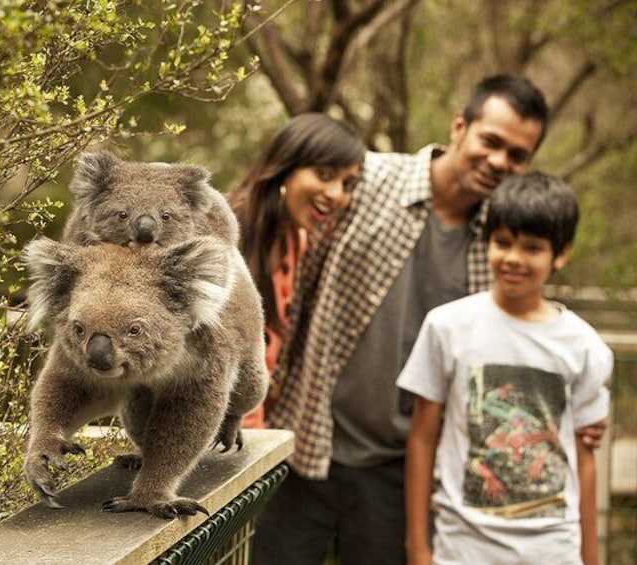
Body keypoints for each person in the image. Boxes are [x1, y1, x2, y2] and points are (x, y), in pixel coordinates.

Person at [253, 74, 586, 564]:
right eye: (491, 142)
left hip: (398, 470)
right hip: (304, 440)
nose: (499, 162)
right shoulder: (365, 181)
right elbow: (289, 265)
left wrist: (581, 411)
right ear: (459, 127)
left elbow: (519, 337)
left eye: (517, 156)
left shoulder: (503, 244)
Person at [397, 172, 611, 564]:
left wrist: (591, 557)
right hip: (463, 548)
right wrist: (418, 548)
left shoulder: (583, 346)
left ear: (560, 255)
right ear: (487, 242)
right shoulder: (447, 327)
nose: (513, 258)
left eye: (532, 248)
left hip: (553, 550)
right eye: (503, 242)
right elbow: (423, 437)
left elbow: (584, 457)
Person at [227, 113, 366, 428]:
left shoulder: (297, 240)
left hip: (254, 436)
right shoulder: (225, 234)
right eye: (324, 174)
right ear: (283, 165)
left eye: (347, 184)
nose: (336, 194)